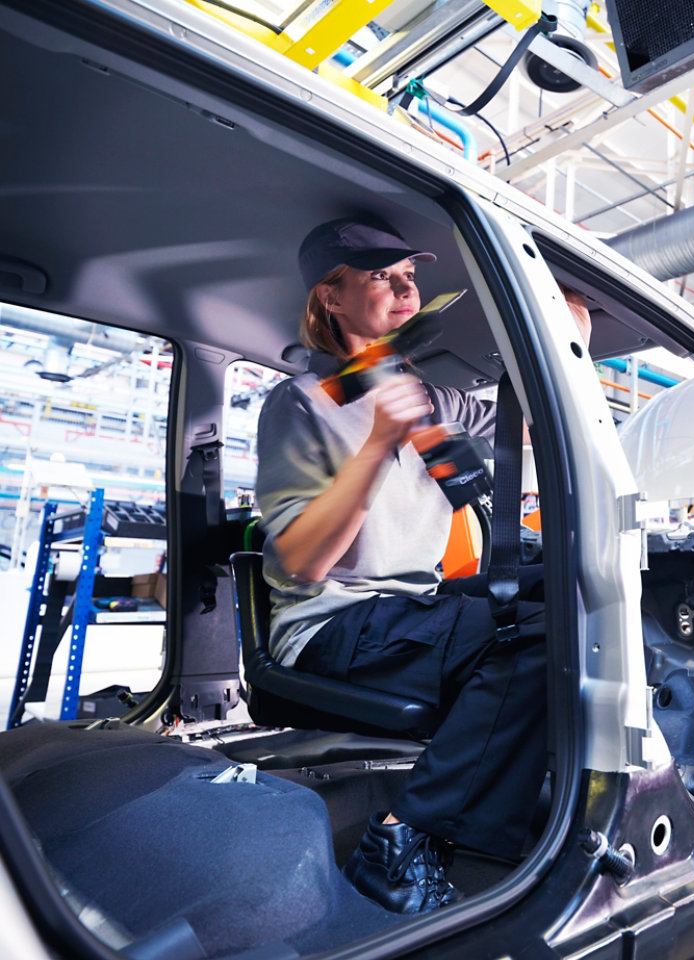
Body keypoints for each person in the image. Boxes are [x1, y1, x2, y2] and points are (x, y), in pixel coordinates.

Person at [255, 214, 590, 914]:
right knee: (538, 636)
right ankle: (398, 845)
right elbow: (304, 561)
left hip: (410, 612)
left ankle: (524, 808)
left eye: (410, 277)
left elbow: (532, 418)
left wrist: (570, 335)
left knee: (566, 607)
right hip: (334, 625)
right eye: (383, 277)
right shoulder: (303, 404)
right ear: (331, 298)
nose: (406, 290)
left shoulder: (433, 402)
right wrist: (378, 441)